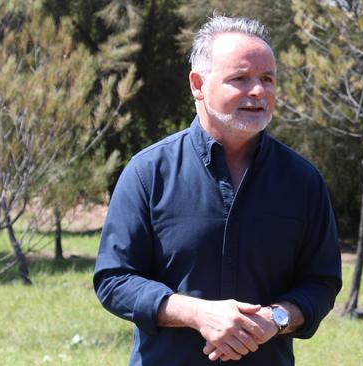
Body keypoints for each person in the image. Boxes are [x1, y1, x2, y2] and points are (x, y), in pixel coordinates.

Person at [93, 15, 342, 366]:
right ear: (198, 84)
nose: (258, 92)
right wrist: (195, 313)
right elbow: (114, 279)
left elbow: (321, 281)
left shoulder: (302, 181)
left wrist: (276, 319)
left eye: (267, 79)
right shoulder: (149, 172)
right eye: (240, 78)